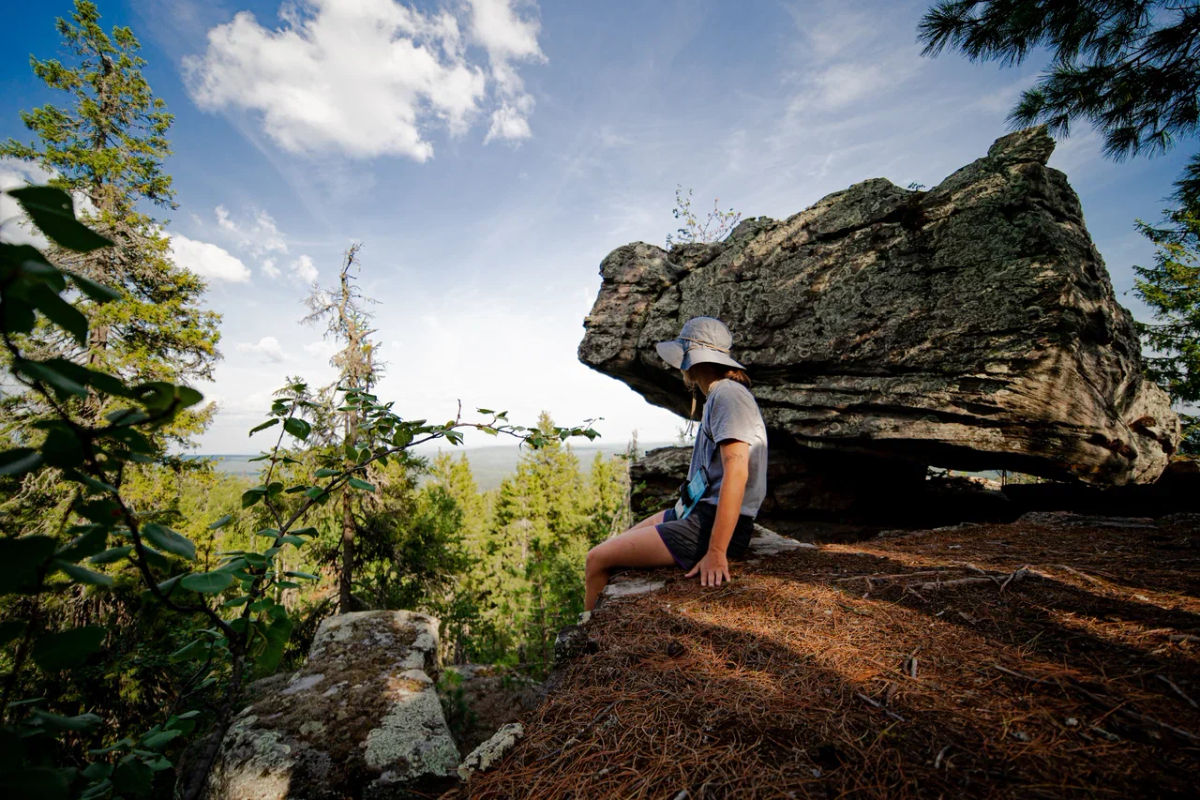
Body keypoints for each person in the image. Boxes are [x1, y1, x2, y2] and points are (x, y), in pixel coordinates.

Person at [584, 316, 768, 611]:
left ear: (693, 359)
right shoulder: (721, 394)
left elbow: (737, 471)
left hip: (708, 524)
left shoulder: (727, 395)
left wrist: (716, 551)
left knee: (597, 559)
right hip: (696, 513)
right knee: (615, 548)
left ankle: (586, 641)